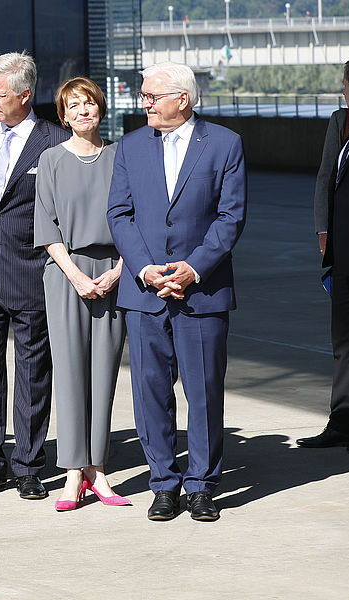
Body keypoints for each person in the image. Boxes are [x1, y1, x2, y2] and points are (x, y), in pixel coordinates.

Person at [107, 61, 247, 522]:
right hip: (144, 293)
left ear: (182, 99)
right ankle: (163, 483)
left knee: (204, 391)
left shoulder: (225, 144)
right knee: (150, 393)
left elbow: (230, 218)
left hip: (202, 294)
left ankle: (202, 486)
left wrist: (193, 269)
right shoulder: (129, 146)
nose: (142, 102)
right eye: (143, 96)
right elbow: (120, 215)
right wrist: (146, 269)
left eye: (151, 95)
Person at [0, 51, 69, 501]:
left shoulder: (54, 142)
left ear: (25, 95)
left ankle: (28, 466)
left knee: (32, 374)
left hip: (29, 272)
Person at [34, 77, 128, 511]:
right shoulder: (51, 159)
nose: (83, 111)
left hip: (114, 271)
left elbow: (137, 221)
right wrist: (75, 276)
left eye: (90, 103)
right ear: (64, 114)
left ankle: (99, 470)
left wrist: (118, 273)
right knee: (70, 373)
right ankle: (73, 473)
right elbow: (47, 227)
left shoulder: (120, 156)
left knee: (103, 373)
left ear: (101, 109)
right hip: (66, 271)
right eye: (74, 105)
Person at [299, 53, 349, 453]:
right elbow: (328, 179)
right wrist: (326, 235)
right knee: (346, 342)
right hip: (346, 255)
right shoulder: (348, 125)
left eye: (345, 85)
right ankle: (343, 422)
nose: (343, 92)